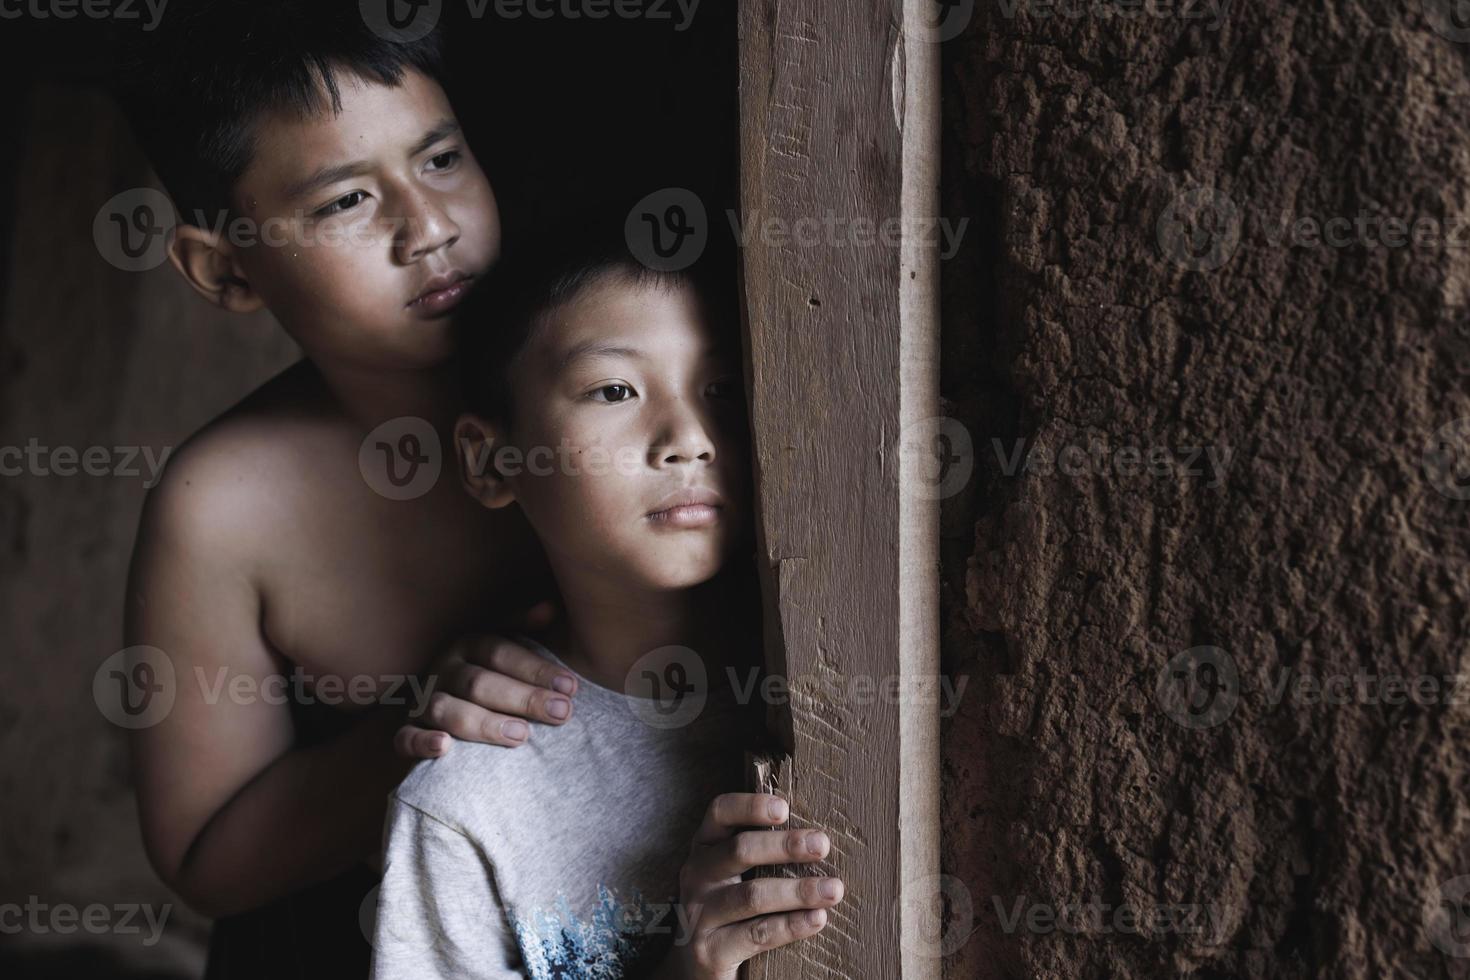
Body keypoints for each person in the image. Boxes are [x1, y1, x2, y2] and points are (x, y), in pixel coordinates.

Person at [110, 5, 573, 975]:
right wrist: (415, 732)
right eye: (344, 202)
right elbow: (204, 858)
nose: (429, 227)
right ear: (226, 268)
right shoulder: (224, 504)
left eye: (440, 160)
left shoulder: (618, 378)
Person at [370, 214, 846, 979]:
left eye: (723, 386)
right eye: (615, 388)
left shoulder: (861, 687)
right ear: (492, 459)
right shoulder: (474, 795)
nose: (688, 435)